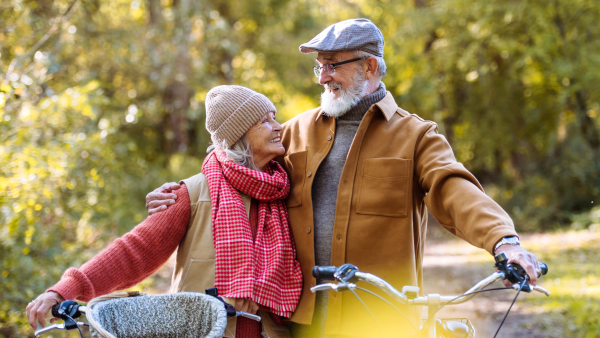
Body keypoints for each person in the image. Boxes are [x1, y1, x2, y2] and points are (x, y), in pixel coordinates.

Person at [145, 19, 541, 338]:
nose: (322, 77)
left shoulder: (417, 136)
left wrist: (503, 241)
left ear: (369, 66)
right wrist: (179, 195)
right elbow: (236, 166)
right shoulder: (295, 133)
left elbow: (454, 188)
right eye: (319, 65)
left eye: (333, 64)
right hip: (298, 323)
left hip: (381, 323)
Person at [26, 85, 303, 338]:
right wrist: (64, 290)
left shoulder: (288, 186)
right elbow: (135, 251)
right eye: (265, 121)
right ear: (240, 134)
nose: (279, 127)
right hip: (205, 330)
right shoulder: (193, 192)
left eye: (274, 117)